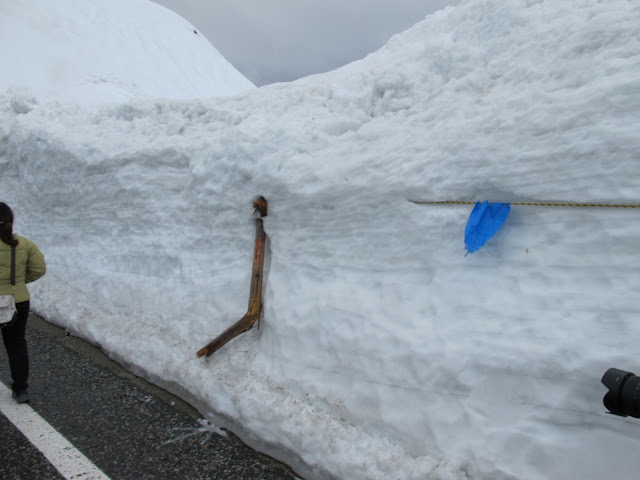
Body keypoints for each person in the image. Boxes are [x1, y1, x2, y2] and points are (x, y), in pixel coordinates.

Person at [0, 203, 46, 404]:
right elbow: (39, 269)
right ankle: (21, 389)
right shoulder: (24, 244)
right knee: (17, 344)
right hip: (17, 300)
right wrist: (19, 282)